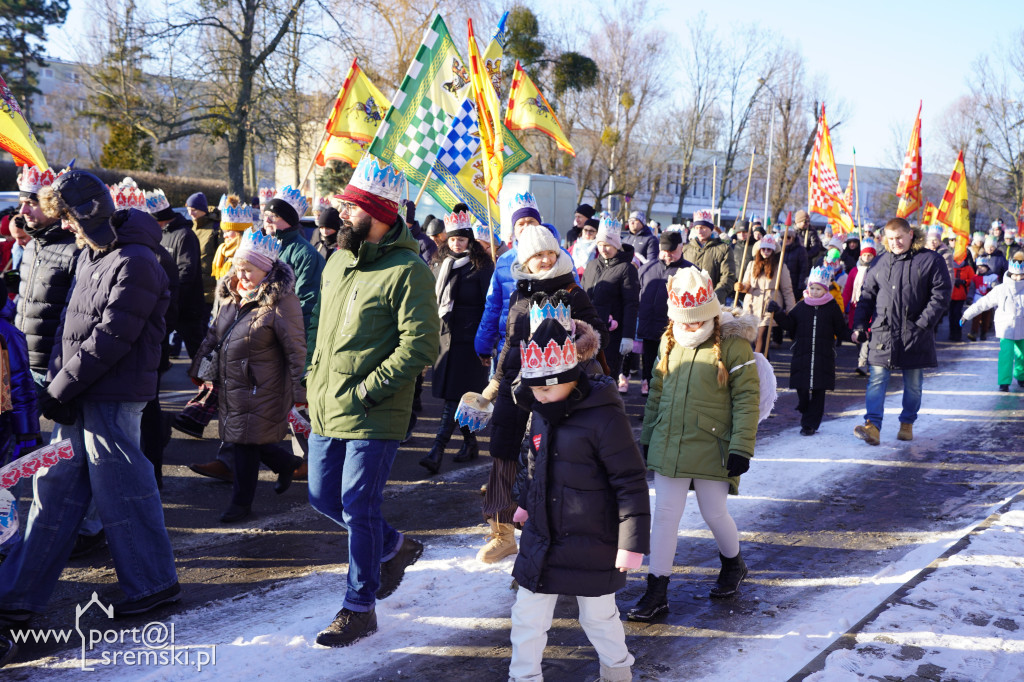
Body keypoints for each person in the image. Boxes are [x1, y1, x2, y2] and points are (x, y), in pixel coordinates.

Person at [0, 170, 179, 624]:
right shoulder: (95, 253)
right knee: (54, 492)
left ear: (88, 214)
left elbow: (112, 336)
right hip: (83, 392)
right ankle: (18, 596)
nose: (67, 228)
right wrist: (59, 383)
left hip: (113, 396)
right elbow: (70, 328)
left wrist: (61, 387)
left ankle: (154, 584)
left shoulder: (135, 260)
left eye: (70, 219)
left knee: (125, 493)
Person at [305, 157, 439, 647]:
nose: (340, 214)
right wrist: (311, 378)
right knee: (322, 498)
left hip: (373, 411)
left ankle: (359, 607)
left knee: (358, 506)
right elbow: (322, 326)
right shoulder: (338, 259)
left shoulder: (410, 271)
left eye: (350, 207)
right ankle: (395, 547)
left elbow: (422, 346)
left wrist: (367, 390)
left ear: (378, 213)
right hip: (326, 403)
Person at [507, 317, 649, 682]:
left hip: (594, 540)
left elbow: (629, 481)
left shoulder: (604, 418)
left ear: (569, 380)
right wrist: (525, 500)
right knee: (527, 616)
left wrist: (630, 543)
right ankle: (523, 677)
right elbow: (534, 459)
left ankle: (617, 672)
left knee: (598, 617)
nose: (538, 398)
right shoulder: (541, 411)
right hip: (543, 535)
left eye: (546, 390)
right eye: (534, 391)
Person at [629, 267, 760, 621]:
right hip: (670, 441)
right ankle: (657, 591)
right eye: (682, 320)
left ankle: (733, 564)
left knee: (713, 513)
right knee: (666, 517)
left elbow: (747, 398)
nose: (688, 327)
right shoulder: (668, 339)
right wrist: (648, 436)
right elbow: (657, 390)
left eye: (694, 321)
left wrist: (741, 447)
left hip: (713, 444)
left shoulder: (733, 345)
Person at [477, 223, 606, 565]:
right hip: (515, 385)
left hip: (555, 389)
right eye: (537, 255)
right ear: (525, 259)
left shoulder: (572, 291)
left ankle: (545, 540)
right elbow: (509, 342)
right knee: (502, 455)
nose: (546, 260)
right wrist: (495, 385)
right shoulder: (519, 292)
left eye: (550, 252)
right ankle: (501, 532)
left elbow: (593, 337)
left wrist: (571, 351)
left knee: (545, 463)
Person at [190, 228, 306, 522]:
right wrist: (199, 368)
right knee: (247, 439)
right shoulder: (232, 296)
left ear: (266, 270)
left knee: (243, 443)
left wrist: (300, 392)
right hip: (233, 384)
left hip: (262, 385)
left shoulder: (281, 302)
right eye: (238, 269)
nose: (241, 276)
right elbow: (215, 333)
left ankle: (240, 504)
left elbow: (295, 349)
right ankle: (287, 463)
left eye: (248, 270)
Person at [852, 218, 952, 445]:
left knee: (914, 383)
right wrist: (859, 325)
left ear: (910, 234)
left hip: (915, 333)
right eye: (890, 239)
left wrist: (923, 324)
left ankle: (907, 423)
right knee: (876, 380)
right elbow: (866, 297)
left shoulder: (930, 260)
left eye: (899, 238)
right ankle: (873, 425)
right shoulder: (879, 262)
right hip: (882, 332)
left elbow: (941, 294)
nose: (895, 243)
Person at [420, 210, 493, 474]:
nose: (457, 244)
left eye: (462, 239)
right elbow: (431, 298)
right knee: (458, 396)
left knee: (455, 396)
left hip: (470, 338)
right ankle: (471, 443)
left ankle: (437, 450)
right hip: (443, 336)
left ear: (470, 240)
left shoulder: (482, 265)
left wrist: (487, 342)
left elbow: (490, 305)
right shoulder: (439, 263)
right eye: (452, 239)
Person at [473, 192, 576, 364]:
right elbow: (493, 306)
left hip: (550, 346)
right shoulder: (504, 261)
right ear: (514, 228)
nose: (526, 226)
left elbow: (574, 296)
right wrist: (484, 344)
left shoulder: (559, 256)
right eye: (521, 223)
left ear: (539, 223)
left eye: (531, 221)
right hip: (509, 344)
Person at [769, 266, 856, 435]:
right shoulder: (801, 307)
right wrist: (777, 313)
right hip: (802, 354)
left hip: (823, 356)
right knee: (802, 388)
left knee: (818, 390)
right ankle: (804, 409)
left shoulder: (831, 307)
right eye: (812, 288)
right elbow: (789, 325)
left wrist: (853, 336)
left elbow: (841, 329)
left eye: (818, 289)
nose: (814, 292)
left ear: (825, 290)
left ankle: (810, 424)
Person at [13, 165, 79, 383]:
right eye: (23, 203)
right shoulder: (32, 245)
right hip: (22, 360)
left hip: (54, 366)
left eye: (31, 204)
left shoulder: (76, 249)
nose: (23, 212)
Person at [146, 187, 207, 359]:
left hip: (187, 305)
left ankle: (209, 381)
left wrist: (170, 295)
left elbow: (186, 271)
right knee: (162, 346)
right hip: (168, 304)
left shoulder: (185, 235)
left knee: (197, 349)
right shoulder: (161, 234)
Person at [582, 215, 639, 392]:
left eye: (608, 245)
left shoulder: (626, 269)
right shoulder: (591, 265)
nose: (604, 249)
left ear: (616, 245)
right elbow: (583, 295)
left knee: (607, 376)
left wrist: (628, 336)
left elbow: (631, 304)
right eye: (600, 244)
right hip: (587, 332)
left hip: (612, 335)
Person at [262, 186, 325, 343]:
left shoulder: (307, 255)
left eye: (274, 216)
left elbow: (307, 304)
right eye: (266, 215)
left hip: (285, 337)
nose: (267, 220)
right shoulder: (262, 248)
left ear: (289, 220)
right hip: (263, 334)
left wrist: (291, 339)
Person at [636, 231, 694, 397]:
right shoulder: (647, 269)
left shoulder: (690, 271)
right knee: (649, 370)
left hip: (674, 333)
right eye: (665, 251)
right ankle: (650, 408)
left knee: (671, 372)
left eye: (672, 251)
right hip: (649, 330)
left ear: (681, 248)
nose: (668, 255)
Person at [961, 260, 1024, 391]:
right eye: (1015, 275)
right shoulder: (1001, 289)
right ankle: (1004, 382)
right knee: (1006, 355)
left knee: (1022, 355)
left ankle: (1021, 377)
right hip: (1006, 328)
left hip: (1022, 327)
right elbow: (983, 302)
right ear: (1010, 274)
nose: (1018, 278)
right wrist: (967, 314)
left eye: (1021, 275)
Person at [736, 234, 796, 354]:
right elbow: (747, 284)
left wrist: (791, 309)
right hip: (752, 305)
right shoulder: (751, 265)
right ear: (759, 249)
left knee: (762, 339)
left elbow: (787, 290)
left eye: (769, 249)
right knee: (755, 340)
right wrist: (741, 287)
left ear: (773, 251)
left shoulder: (780, 267)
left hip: (769, 305)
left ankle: (759, 367)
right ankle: (765, 367)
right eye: (763, 249)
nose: (766, 251)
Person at [682, 209, 735, 303]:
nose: (699, 231)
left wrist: (715, 296)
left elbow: (728, 277)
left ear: (710, 228)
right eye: (697, 227)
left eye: (703, 227)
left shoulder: (723, 249)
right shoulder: (686, 249)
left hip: (713, 300)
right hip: (689, 301)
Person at [841, 237, 877, 375]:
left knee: (866, 336)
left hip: (870, 308)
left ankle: (862, 364)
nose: (867, 258)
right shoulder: (854, 271)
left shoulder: (876, 270)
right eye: (865, 255)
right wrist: (843, 307)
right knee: (858, 337)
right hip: (856, 308)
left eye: (870, 255)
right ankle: (864, 361)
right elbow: (848, 291)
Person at [186, 191, 221, 315]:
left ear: (202, 209)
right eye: (189, 209)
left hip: (209, 289)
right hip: (193, 287)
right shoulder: (191, 227)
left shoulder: (215, 229)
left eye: (194, 209)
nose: (190, 213)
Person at [967, 256, 999, 341]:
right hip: (977, 299)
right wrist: (969, 298)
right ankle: (973, 332)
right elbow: (972, 289)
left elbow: (996, 287)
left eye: (982, 267)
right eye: (979, 267)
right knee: (976, 316)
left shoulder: (993, 277)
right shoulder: (975, 277)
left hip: (988, 299)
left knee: (986, 318)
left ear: (987, 267)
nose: (980, 269)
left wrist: (993, 288)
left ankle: (983, 333)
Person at [949, 250, 976, 342]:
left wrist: (964, 282)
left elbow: (972, 281)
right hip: (950, 295)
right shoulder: (950, 267)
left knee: (957, 314)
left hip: (961, 295)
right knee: (951, 315)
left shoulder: (968, 268)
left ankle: (958, 333)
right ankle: (952, 333)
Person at [781, 226, 810, 297]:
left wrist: (800, 286)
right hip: (782, 283)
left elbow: (804, 269)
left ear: (793, 238)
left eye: (788, 237)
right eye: (783, 237)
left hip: (794, 284)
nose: (786, 239)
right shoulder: (780, 249)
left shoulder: (801, 250)